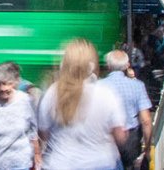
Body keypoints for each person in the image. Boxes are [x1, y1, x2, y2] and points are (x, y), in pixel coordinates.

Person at [37, 39, 126, 170]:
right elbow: (120, 136)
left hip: (59, 164)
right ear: (92, 65)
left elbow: (43, 133)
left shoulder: (53, 92)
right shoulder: (105, 93)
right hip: (99, 164)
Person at [98, 51, 152, 170]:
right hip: (130, 141)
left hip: (105, 140)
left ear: (108, 66)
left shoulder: (98, 87)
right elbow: (146, 121)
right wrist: (147, 149)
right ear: (127, 65)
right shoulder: (138, 86)